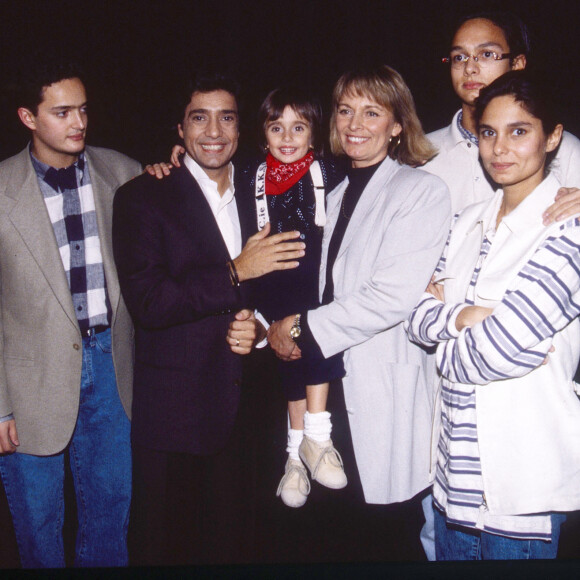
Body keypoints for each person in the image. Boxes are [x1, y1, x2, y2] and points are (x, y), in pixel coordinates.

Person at [113, 72, 305, 565]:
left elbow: (286, 285)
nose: (214, 131)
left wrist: (262, 330)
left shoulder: (263, 190)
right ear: (180, 128)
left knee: (242, 548)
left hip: (250, 415)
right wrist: (236, 270)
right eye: (200, 117)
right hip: (175, 417)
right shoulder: (142, 196)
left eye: (227, 117)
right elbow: (150, 303)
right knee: (168, 550)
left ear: (243, 128)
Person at [420, 11, 580, 560]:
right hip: (450, 486)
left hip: (521, 487)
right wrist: (465, 318)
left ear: (553, 136)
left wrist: (447, 343)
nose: (501, 148)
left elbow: (499, 348)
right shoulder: (465, 221)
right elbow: (417, 313)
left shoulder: (569, 224)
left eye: (520, 131)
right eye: (489, 133)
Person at [267, 64, 451, 509]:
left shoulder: (421, 191)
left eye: (372, 113)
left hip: (376, 390)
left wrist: (297, 329)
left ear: (397, 125)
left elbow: (390, 298)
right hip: (323, 391)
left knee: (381, 537)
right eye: (346, 111)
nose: (354, 125)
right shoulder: (331, 193)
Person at [0, 61, 141, 568]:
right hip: (27, 382)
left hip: (112, 370)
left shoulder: (124, 173)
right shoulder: (0, 191)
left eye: (82, 110)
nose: (78, 122)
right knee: (38, 529)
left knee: (110, 519)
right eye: (62, 112)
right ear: (27, 117)